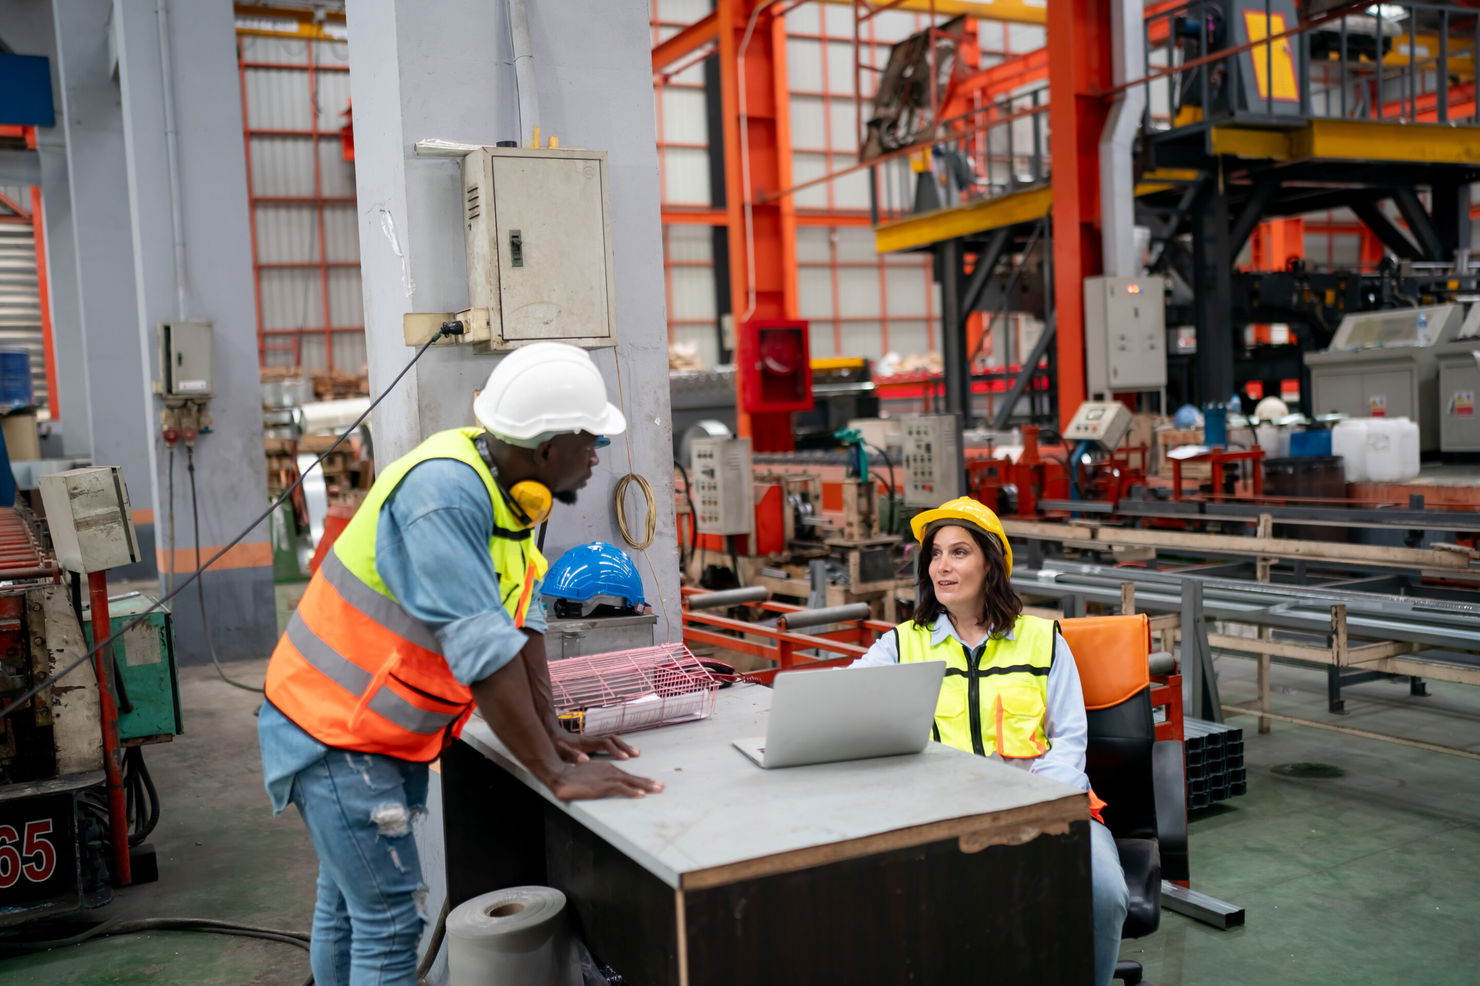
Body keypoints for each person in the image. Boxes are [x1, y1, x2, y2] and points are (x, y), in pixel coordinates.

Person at [257, 342, 663, 986]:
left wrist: (552, 729)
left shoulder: (515, 494)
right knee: (389, 924)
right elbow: (482, 651)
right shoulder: (445, 497)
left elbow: (522, 620)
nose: (596, 458)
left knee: (345, 904)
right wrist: (554, 775)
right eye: (591, 442)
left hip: (371, 733)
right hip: (335, 734)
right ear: (545, 447)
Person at [851, 496, 1129, 986]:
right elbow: (840, 700)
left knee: (1103, 893)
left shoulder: (1043, 641)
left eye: (959, 552)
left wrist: (1034, 809)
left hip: (1048, 807)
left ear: (990, 563)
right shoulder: (902, 645)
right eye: (935, 554)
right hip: (946, 817)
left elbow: (1068, 740)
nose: (942, 566)